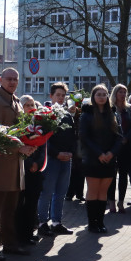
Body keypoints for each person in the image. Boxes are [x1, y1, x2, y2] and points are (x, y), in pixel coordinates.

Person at [0, 68, 35, 260]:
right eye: (9, 79)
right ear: (1, 80)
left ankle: (9, 244)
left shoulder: (16, 101)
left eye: (15, 79)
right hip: (2, 161)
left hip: (16, 163)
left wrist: (30, 145)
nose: (12, 82)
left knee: (11, 208)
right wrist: (19, 148)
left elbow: (20, 130)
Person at [79, 84, 121, 233]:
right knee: (93, 190)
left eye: (104, 94)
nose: (102, 97)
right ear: (93, 97)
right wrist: (99, 154)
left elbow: (119, 138)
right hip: (92, 158)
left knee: (103, 192)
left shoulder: (113, 114)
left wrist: (111, 153)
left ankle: (100, 222)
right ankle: (92, 223)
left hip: (109, 159)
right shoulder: (87, 114)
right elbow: (84, 137)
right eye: (99, 94)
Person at [37, 83, 76, 235]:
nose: (60, 98)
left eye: (63, 95)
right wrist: (56, 154)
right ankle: (42, 223)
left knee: (61, 192)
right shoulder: (45, 114)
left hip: (67, 159)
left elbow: (73, 136)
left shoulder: (67, 115)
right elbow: (44, 140)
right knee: (47, 192)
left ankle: (56, 222)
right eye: (58, 95)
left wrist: (71, 153)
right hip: (52, 159)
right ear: (51, 96)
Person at [15, 95, 46, 244]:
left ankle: (29, 232)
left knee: (33, 203)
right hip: (22, 170)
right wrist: (30, 163)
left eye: (32, 104)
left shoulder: (39, 123)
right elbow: (18, 146)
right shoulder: (19, 125)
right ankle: (20, 234)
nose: (30, 107)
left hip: (36, 171)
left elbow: (42, 146)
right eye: (26, 105)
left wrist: (37, 164)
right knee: (21, 204)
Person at [109, 84, 131, 214]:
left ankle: (121, 202)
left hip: (126, 146)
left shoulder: (129, 108)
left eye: (125, 92)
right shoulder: (109, 108)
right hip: (113, 145)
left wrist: (127, 138)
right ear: (115, 93)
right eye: (120, 92)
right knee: (112, 175)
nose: (123, 94)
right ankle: (111, 202)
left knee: (123, 175)